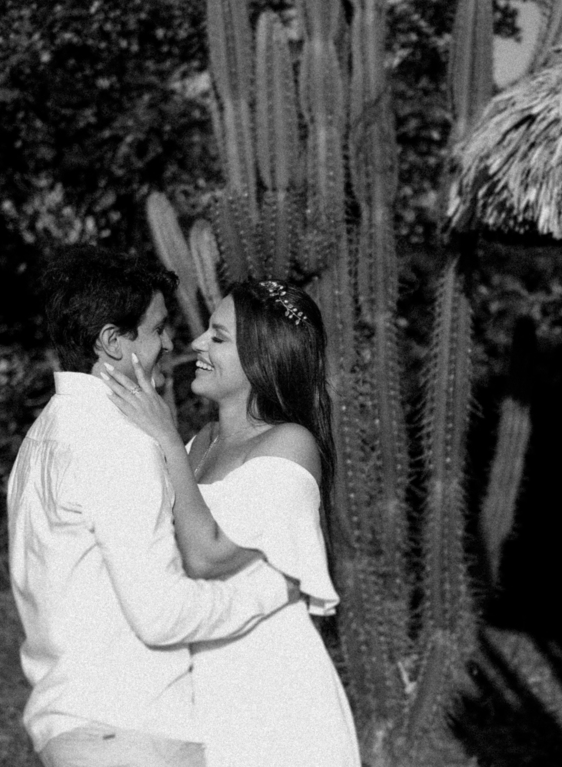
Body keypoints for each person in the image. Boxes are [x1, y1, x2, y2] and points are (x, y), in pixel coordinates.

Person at [6, 246, 299, 767]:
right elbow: (163, 615)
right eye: (157, 329)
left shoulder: (41, 438)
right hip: (135, 730)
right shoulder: (115, 442)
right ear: (112, 342)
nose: (170, 343)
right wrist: (273, 587)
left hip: (74, 728)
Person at [102, 278, 362, 767]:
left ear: (262, 358)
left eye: (218, 337)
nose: (197, 342)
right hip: (203, 688)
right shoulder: (199, 444)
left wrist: (164, 436)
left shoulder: (290, 444)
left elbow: (205, 555)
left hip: (272, 693)